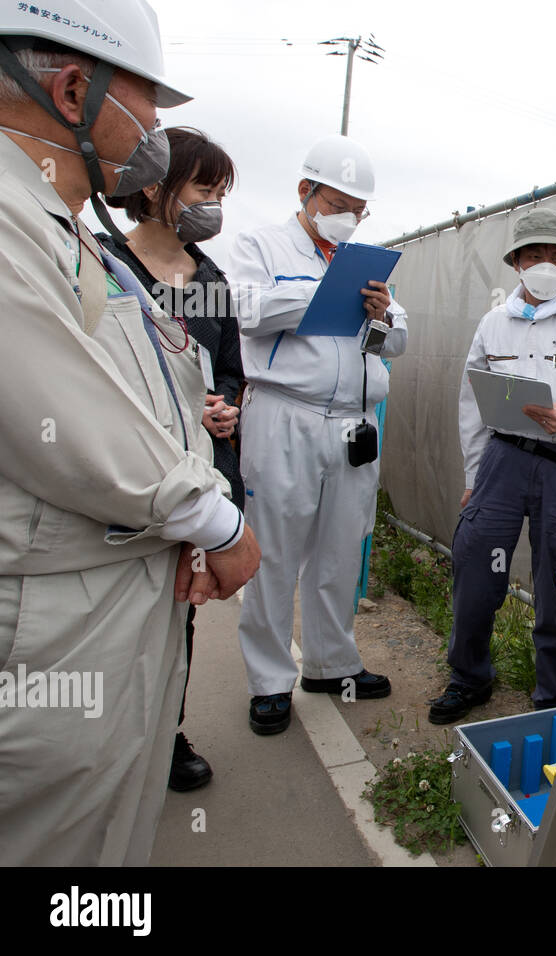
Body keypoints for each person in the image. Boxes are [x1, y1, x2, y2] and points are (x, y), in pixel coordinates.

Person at [0, 1, 260, 865]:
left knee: (111, 819)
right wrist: (215, 519)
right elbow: (64, 414)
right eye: (149, 109)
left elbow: (156, 378)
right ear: (75, 89)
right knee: (58, 842)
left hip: (111, 582)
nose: (154, 132)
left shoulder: (62, 226)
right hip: (52, 618)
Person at [230, 134, 407, 736]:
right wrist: (323, 294)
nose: (349, 217)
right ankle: (269, 681)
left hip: (354, 422)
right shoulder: (260, 244)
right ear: (305, 191)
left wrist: (381, 314)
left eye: (359, 208)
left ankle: (332, 664)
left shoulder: (363, 260)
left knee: (340, 548)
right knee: (274, 551)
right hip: (286, 415)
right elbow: (248, 311)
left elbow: (400, 340)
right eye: (338, 202)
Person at [428, 209, 556, 724]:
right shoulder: (494, 323)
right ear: (516, 262)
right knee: (476, 567)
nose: (546, 264)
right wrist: (474, 478)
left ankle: (550, 698)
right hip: (501, 461)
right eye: (535, 255)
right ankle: (469, 677)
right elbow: (472, 405)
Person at [100, 126, 243, 792]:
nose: (213, 204)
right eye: (204, 188)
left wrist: (228, 409)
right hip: (119, 478)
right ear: (155, 184)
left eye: (220, 193)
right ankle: (103, 744)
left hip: (195, 476)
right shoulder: (100, 262)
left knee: (178, 610)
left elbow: (231, 371)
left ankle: (165, 733)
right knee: (110, 616)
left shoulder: (210, 277)